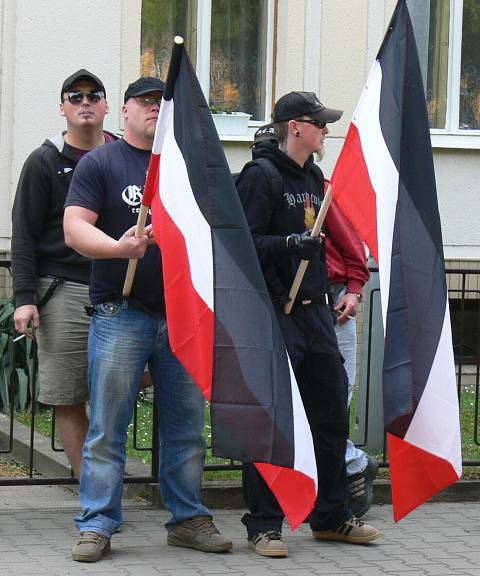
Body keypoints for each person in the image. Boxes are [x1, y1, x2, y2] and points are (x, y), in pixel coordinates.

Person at [63, 77, 232, 562]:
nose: (154, 108)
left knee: (185, 427)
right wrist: (120, 247)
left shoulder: (188, 167)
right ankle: (97, 523)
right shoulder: (102, 162)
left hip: (181, 316)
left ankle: (188, 519)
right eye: (145, 102)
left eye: (162, 102)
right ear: (125, 111)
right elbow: (75, 228)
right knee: (108, 427)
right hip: (121, 312)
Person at [235, 91, 380, 558]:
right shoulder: (261, 176)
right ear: (295, 126)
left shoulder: (315, 176)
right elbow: (243, 245)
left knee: (330, 415)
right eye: (319, 123)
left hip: (316, 310)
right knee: (273, 420)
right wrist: (288, 245)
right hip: (277, 311)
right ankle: (263, 525)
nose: (326, 131)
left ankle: (332, 515)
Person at [11, 69, 117, 480]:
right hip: (63, 289)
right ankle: (93, 488)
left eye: (94, 95)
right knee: (68, 395)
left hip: (119, 289)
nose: (85, 102)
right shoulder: (43, 162)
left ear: (108, 106)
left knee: (123, 386)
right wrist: (24, 298)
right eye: (75, 97)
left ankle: (107, 482)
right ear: (63, 108)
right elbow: (24, 235)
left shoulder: (124, 156)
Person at [324, 200, 378, 518]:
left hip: (334, 298)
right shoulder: (258, 185)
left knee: (336, 396)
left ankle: (349, 467)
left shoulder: (320, 190)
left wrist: (354, 290)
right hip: (286, 299)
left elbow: (354, 249)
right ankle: (353, 462)